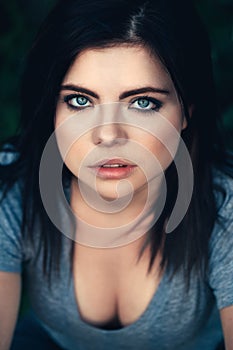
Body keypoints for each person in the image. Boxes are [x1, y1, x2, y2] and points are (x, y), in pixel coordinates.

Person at [0, 0, 232, 349]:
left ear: (187, 112)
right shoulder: (13, 188)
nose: (108, 135)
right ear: (51, 108)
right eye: (80, 101)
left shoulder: (224, 207)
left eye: (143, 103)